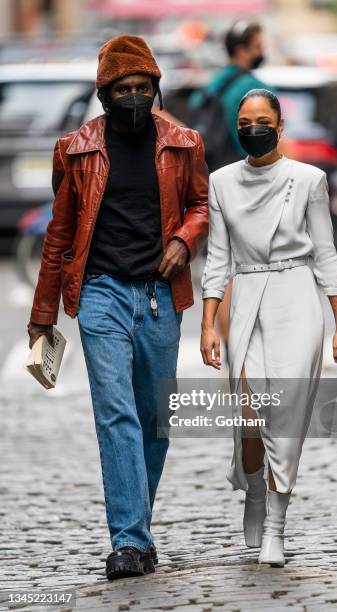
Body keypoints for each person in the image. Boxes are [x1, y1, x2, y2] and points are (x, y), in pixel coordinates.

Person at [27, 35, 209, 580]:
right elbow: (60, 234)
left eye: (143, 87)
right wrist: (42, 314)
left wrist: (185, 238)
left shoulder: (184, 142)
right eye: (123, 89)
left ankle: (140, 530)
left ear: (156, 89)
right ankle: (128, 541)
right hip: (101, 292)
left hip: (159, 296)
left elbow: (201, 204)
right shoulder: (76, 148)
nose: (134, 97)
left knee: (155, 420)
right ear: (104, 96)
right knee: (117, 414)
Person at [200, 89, 337, 566]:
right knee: (250, 415)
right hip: (247, 296)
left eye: (263, 120)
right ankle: (253, 486)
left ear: (280, 126)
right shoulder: (222, 182)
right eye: (244, 121)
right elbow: (217, 258)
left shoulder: (309, 180)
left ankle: (276, 525)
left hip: (297, 298)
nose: (253, 128)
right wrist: (208, 323)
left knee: (286, 419)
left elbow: (326, 254)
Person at [188, 20, 273, 163]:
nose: (261, 52)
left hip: (211, 169)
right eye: (258, 47)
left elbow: (194, 106)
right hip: (246, 170)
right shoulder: (255, 88)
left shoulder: (214, 82)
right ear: (241, 51)